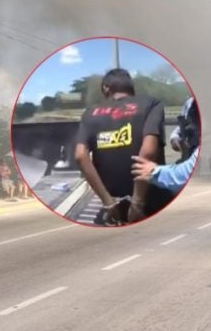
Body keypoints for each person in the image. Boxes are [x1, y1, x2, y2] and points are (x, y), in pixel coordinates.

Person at [75, 68, 167, 226]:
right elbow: (149, 151)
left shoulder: (89, 113)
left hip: (115, 206)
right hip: (152, 201)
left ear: (106, 88)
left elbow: (80, 155)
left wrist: (108, 203)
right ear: (131, 87)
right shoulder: (151, 104)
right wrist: (137, 202)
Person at [131, 97, 200, 195]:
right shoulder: (189, 104)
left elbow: (186, 173)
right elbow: (178, 131)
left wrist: (154, 171)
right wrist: (178, 142)